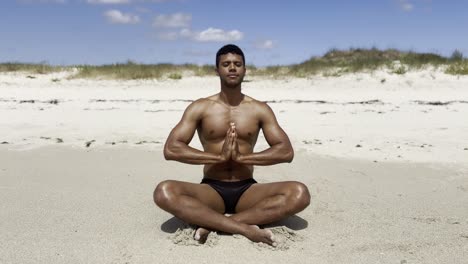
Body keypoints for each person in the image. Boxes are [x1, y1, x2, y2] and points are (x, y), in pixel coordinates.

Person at [153, 44, 310, 246]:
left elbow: (285, 151)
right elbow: (172, 148)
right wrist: (218, 158)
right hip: (211, 190)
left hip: (247, 190)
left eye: (237, 64)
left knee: (300, 193)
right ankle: (245, 229)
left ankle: (213, 223)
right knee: (163, 191)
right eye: (226, 64)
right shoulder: (200, 107)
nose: (232, 68)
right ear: (217, 70)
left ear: (245, 69)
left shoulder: (259, 109)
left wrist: (243, 158)